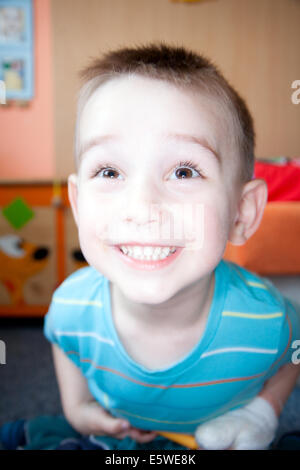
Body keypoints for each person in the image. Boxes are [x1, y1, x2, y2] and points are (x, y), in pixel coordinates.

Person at [44, 43, 300, 450]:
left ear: (242, 212)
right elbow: (62, 338)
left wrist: (261, 413)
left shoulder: (266, 318)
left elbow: (293, 355)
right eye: (109, 170)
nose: (142, 207)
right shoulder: (71, 307)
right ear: (78, 204)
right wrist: (77, 408)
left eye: (183, 171)